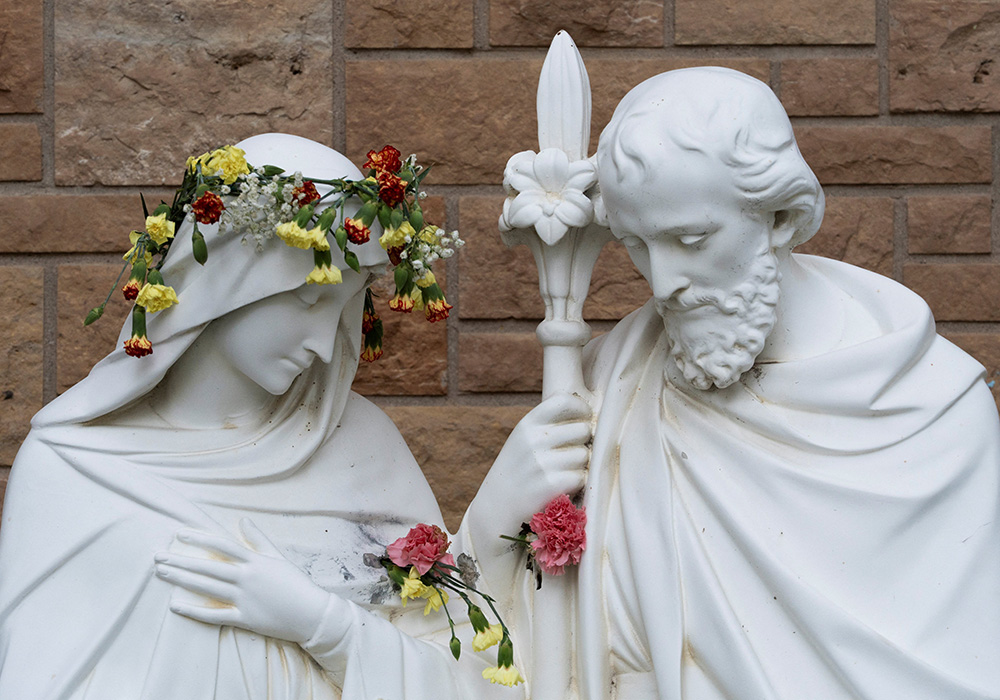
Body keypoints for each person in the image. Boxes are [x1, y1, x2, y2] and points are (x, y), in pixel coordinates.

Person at [483, 67, 1000, 699]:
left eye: (691, 239)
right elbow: (527, 644)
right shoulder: (608, 385)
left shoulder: (934, 418)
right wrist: (492, 520)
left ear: (781, 216)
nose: (663, 282)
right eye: (637, 245)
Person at [0, 134, 533, 700]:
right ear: (227, 280)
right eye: (310, 299)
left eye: (344, 310)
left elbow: (468, 675)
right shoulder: (70, 470)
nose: (325, 344)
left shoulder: (363, 450)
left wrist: (320, 624)